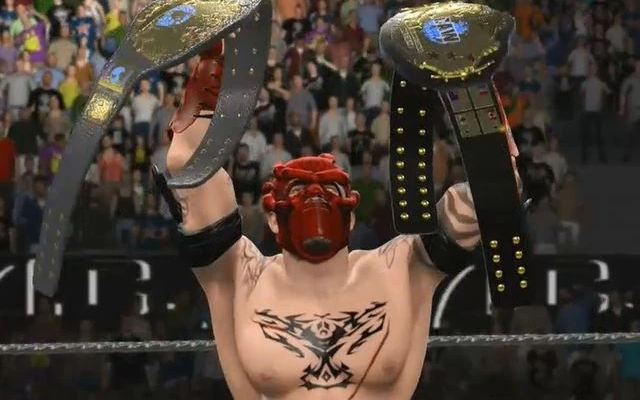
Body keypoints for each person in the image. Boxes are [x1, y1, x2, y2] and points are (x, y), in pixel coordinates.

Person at [149, 48, 523, 399]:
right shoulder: (240, 274)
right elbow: (185, 164)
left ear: (352, 214)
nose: (315, 197)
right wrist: (215, 66)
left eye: (329, 189)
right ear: (274, 219)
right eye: (299, 189)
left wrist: (471, 92)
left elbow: (496, 192)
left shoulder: (398, 268)